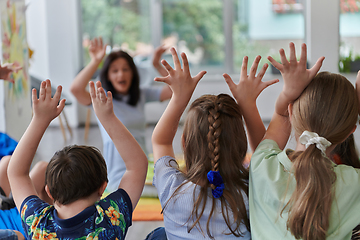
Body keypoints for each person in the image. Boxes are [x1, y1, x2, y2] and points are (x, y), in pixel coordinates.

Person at [149, 48, 277, 239]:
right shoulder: (255, 188)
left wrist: (179, 97)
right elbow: (265, 155)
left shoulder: (172, 188)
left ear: (184, 143)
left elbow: (160, 141)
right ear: (243, 145)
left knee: (158, 236)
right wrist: (248, 104)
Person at [7, 79, 148, 239]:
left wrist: (39, 120)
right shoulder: (111, 218)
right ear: (102, 188)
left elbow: (16, 173)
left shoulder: (37, 223)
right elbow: (137, 166)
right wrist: (108, 118)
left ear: (49, 192)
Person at [248, 42, 360, 240]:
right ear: (350, 132)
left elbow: (279, 115)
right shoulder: (354, 183)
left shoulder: (262, 166)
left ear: (291, 111)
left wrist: (288, 92)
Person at [70, 37, 172, 192]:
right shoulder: (102, 98)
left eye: (125, 69)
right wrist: (96, 61)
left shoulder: (141, 94)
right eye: (115, 70)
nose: (121, 75)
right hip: (117, 171)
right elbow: (75, 90)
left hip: (141, 166)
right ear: (108, 75)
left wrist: (156, 64)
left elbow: (173, 91)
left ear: (133, 72)